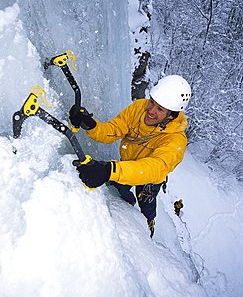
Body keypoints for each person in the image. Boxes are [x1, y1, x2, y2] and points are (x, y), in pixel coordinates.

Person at [69, 75, 191, 237]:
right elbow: (114, 129)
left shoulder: (175, 140)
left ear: (172, 116)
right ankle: (128, 205)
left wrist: (110, 170)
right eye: (152, 102)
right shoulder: (139, 108)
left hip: (149, 178)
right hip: (127, 164)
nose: (151, 111)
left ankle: (149, 221)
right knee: (121, 187)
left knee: (147, 201)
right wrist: (91, 125)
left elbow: (155, 168)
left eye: (160, 109)